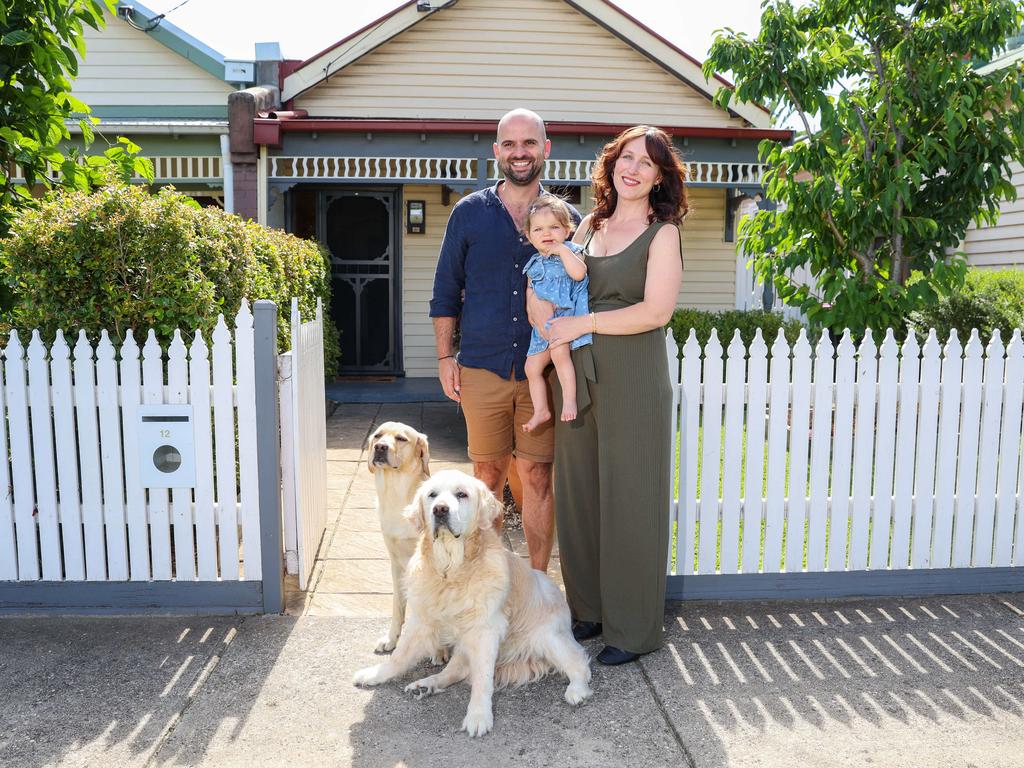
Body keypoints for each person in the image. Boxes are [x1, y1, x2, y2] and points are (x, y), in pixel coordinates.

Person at [541, 125, 686, 665]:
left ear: (659, 177)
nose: (633, 169)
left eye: (646, 163)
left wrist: (585, 322)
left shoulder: (663, 233)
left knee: (630, 497)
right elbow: (564, 279)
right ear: (612, 164)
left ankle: (633, 628)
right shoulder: (591, 223)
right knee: (579, 494)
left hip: (632, 375)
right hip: (577, 374)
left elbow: (655, 312)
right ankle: (591, 611)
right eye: (626, 157)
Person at [429, 108, 580, 573]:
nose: (520, 152)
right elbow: (445, 290)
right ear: (497, 151)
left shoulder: (569, 219)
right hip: (482, 368)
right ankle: (490, 585)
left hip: (545, 371)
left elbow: (587, 288)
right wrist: (443, 356)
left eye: (529, 143)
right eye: (510, 144)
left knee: (537, 477)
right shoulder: (469, 214)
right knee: (486, 479)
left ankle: (536, 583)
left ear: (545, 149)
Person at [520, 193, 592, 433]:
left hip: (563, 321)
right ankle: (541, 409)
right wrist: (531, 304)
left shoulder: (572, 251)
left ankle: (570, 399)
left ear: (566, 230)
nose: (546, 234)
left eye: (554, 227)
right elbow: (530, 291)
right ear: (529, 236)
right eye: (538, 230)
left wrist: (562, 251)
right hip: (541, 328)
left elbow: (579, 273)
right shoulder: (533, 263)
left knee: (561, 356)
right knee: (531, 368)